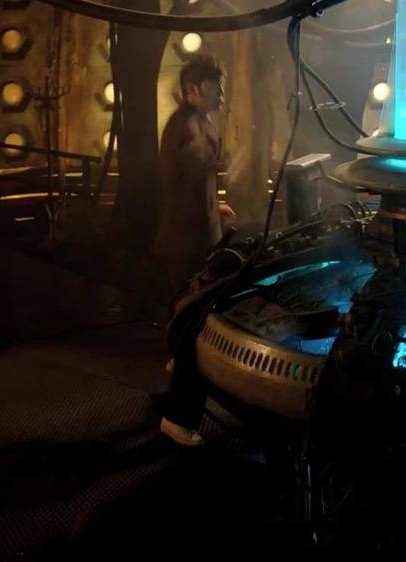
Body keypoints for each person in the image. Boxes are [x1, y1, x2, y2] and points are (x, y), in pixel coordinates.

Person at [155, 55, 235, 446]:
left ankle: (179, 371)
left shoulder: (197, 121)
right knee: (195, 327)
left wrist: (217, 208)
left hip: (195, 236)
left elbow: (195, 178)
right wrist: (228, 163)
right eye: (215, 88)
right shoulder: (185, 125)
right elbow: (200, 164)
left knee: (189, 321)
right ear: (193, 89)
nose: (221, 96)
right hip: (187, 241)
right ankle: (178, 418)